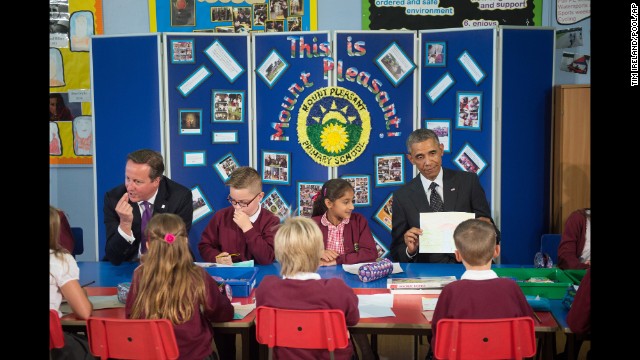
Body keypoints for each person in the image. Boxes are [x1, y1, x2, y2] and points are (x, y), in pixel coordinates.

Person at [125, 213, 234, 360]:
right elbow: (222, 313)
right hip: (193, 356)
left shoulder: (140, 276)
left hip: (151, 355)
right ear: (185, 242)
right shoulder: (197, 275)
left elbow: (131, 315)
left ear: (148, 245)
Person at [255, 216, 360, 360]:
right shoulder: (337, 289)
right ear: (319, 252)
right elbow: (353, 320)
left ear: (279, 253)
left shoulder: (266, 288)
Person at [390, 128, 499, 263]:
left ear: (441, 150)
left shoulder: (468, 182)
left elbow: (494, 233)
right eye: (420, 157)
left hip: (471, 266)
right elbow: (396, 251)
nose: (428, 162)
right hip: (428, 273)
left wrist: (487, 230)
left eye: (432, 153)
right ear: (411, 159)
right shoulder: (402, 196)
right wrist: (409, 250)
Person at [431, 219, 535, 354]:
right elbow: (527, 327)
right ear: (496, 250)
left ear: (457, 255)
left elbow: (438, 337)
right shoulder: (511, 287)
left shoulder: (450, 291)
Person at [103, 149, 193, 265]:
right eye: (128, 178)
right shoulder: (114, 198)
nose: (130, 187)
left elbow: (176, 245)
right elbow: (113, 256)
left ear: (156, 181)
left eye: (137, 182)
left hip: (168, 265)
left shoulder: (179, 197)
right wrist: (125, 224)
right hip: (126, 266)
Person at [198, 166, 280, 265]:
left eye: (243, 202)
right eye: (233, 200)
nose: (237, 207)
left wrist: (248, 228)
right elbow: (205, 245)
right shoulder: (221, 216)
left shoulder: (271, 221)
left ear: (259, 197)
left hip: (260, 277)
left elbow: (267, 258)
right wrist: (216, 257)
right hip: (227, 277)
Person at [50, 205, 95, 360]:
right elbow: (84, 312)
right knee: (98, 347)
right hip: (52, 344)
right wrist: (81, 294)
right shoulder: (58, 260)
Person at [311, 178, 378, 266]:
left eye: (352, 201)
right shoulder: (312, 225)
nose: (352, 207)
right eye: (346, 202)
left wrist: (338, 260)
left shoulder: (358, 221)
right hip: (322, 277)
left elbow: (371, 254)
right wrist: (317, 253)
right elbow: (297, 254)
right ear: (329, 203)